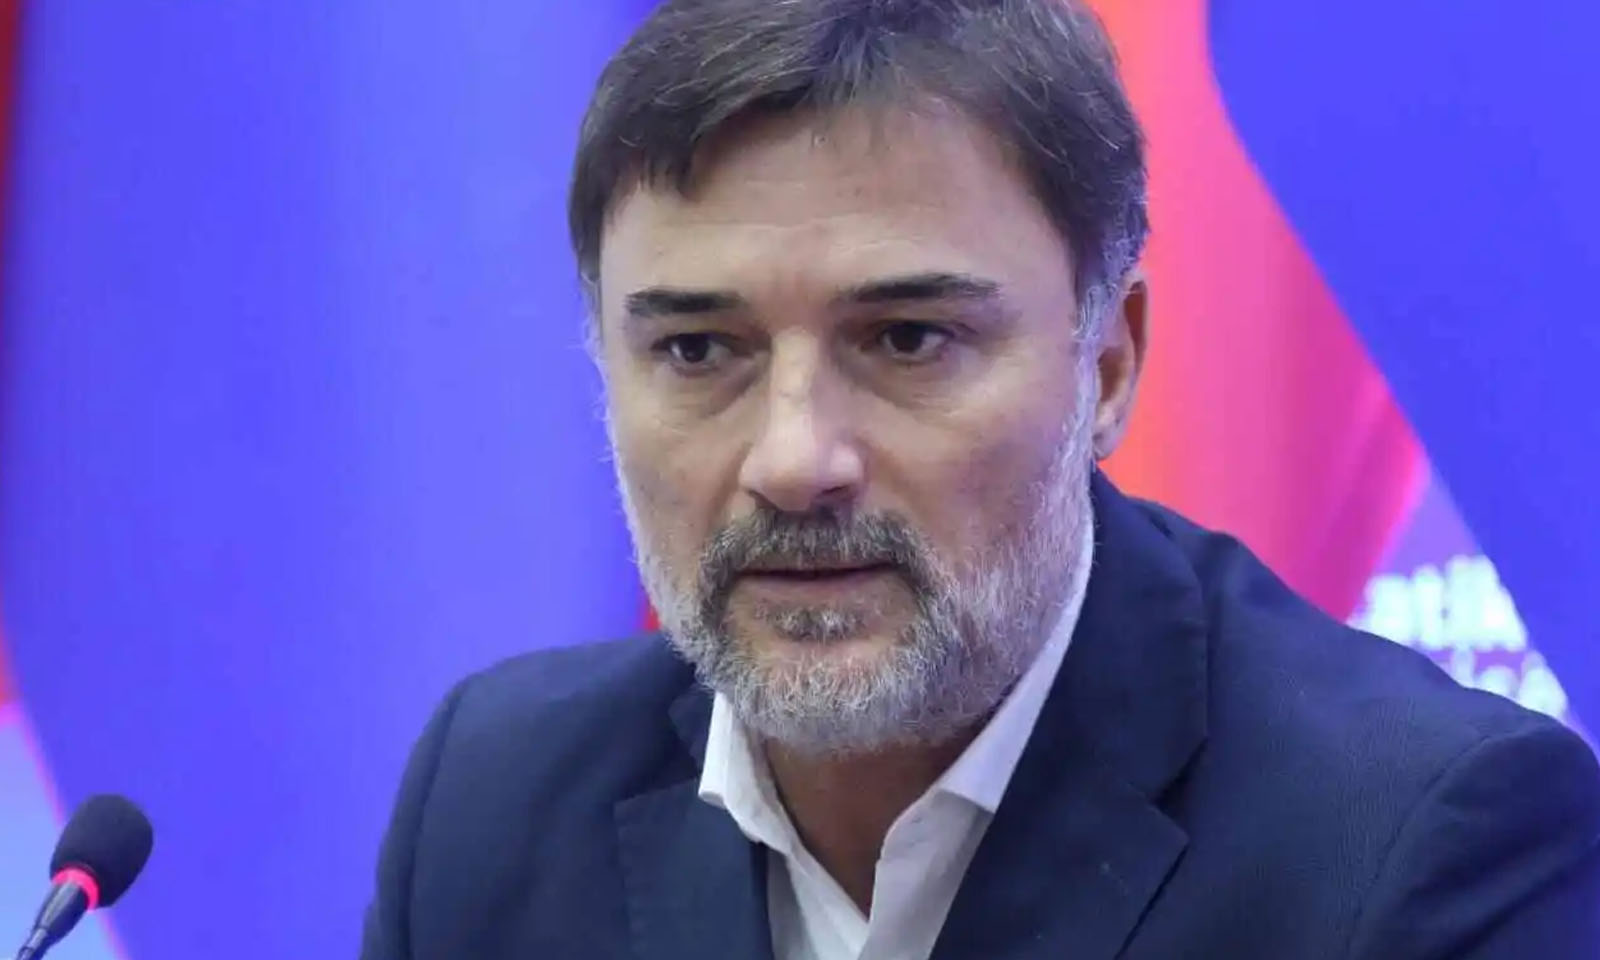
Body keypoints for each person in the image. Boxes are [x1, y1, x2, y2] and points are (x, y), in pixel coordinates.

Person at [359, 1, 1600, 957]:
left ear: (1105, 365)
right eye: (697, 351)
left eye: (906, 339)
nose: (794, 461)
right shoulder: (494, 797)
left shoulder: (1419, 845)